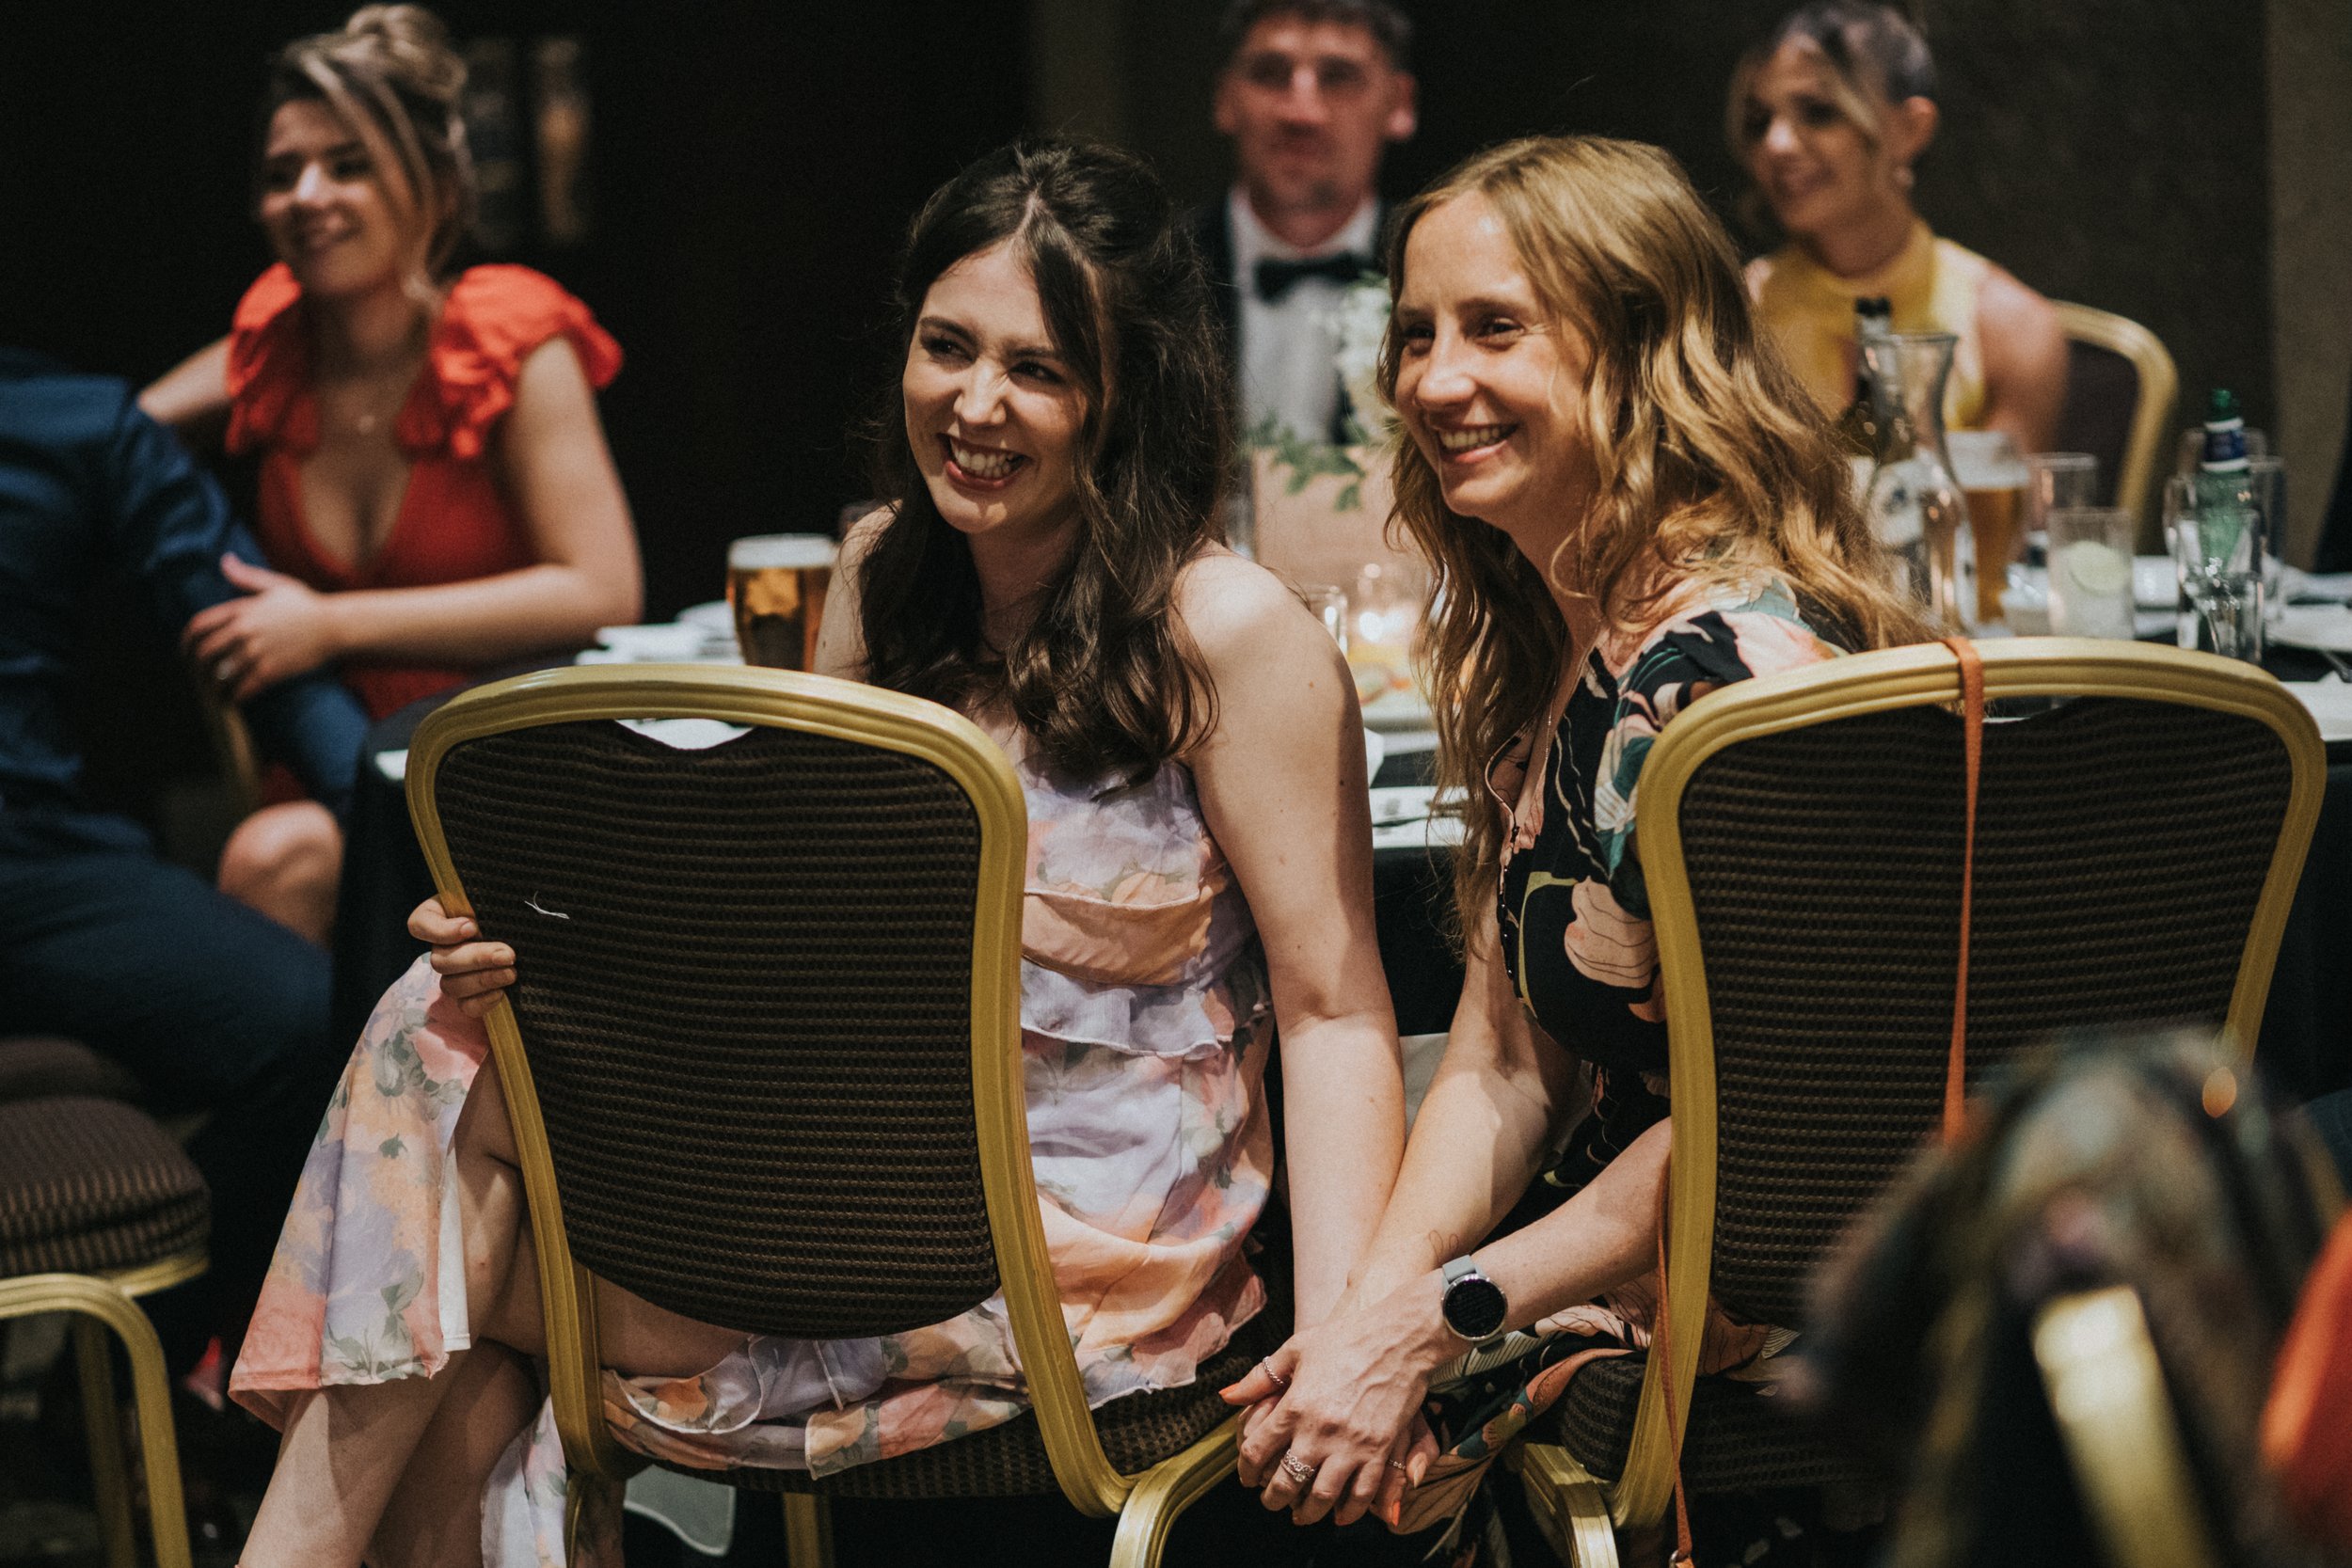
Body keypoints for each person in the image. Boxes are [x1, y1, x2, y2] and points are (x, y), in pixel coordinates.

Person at [224, 140, 1407, 1568]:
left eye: (1037, 368)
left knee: (450, 1275)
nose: (975, 406)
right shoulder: (880, 574)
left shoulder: (1226, 631)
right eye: (946, 347)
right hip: (848, 1180)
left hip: (1073, 1254)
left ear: (1128, 388)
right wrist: (549, 951)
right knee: (454, 1027)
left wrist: (1347, 1341)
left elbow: (1338, 1009)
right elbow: (800, 949)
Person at [1216, 135, 1929, 1544]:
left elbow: (1785, 1122)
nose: (1430, 380)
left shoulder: (1734, 674)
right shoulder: (1576, 634)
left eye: (1495, 329)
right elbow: (1502, 1053)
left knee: (1308, 1471)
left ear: (1643, 351)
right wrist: (1374, 1305)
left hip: (1770, 1290)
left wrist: (1437, 1314)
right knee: (1293, 1388)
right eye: (1415, 334)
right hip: (1605, 1243)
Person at [139, 5, 641, 942]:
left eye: (349, 164)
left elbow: (602, 585)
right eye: (282, 173)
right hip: (335, 763)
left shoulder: (506, 337)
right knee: (268, 857)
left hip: (495, 750)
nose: (308, 195)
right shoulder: (270, 347)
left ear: (434, 186)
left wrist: (328, 622)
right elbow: (113, 437)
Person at [0, 346, 365, 1376]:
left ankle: (121, 1385)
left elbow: (245, 624)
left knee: (309, 1019)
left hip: (28, 856)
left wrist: (392, 830)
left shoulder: (73, 418)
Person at [1731, 2, 2068, 453]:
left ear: (1910, 129)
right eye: (1760, 121)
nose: (1777, 144)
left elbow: (2007, 524)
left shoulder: (2009, 328)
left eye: (1818, 111)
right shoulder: (1736, 315)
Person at [1190, 0, 1417, 447]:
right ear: (1225, 98)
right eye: (1271, 73)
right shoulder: (1153, 273)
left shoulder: (1439, 274)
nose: (1302, 112)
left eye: (1339, 77)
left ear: (1399, 105)